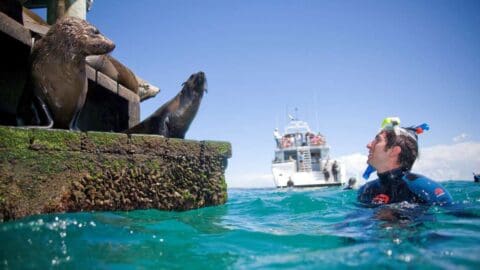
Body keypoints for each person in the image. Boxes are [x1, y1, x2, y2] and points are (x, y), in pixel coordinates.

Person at [357, 117, 453, 207]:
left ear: (394, 151)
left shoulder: (423, 189)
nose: (368, 145)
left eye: (378, 140)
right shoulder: (366, 190)